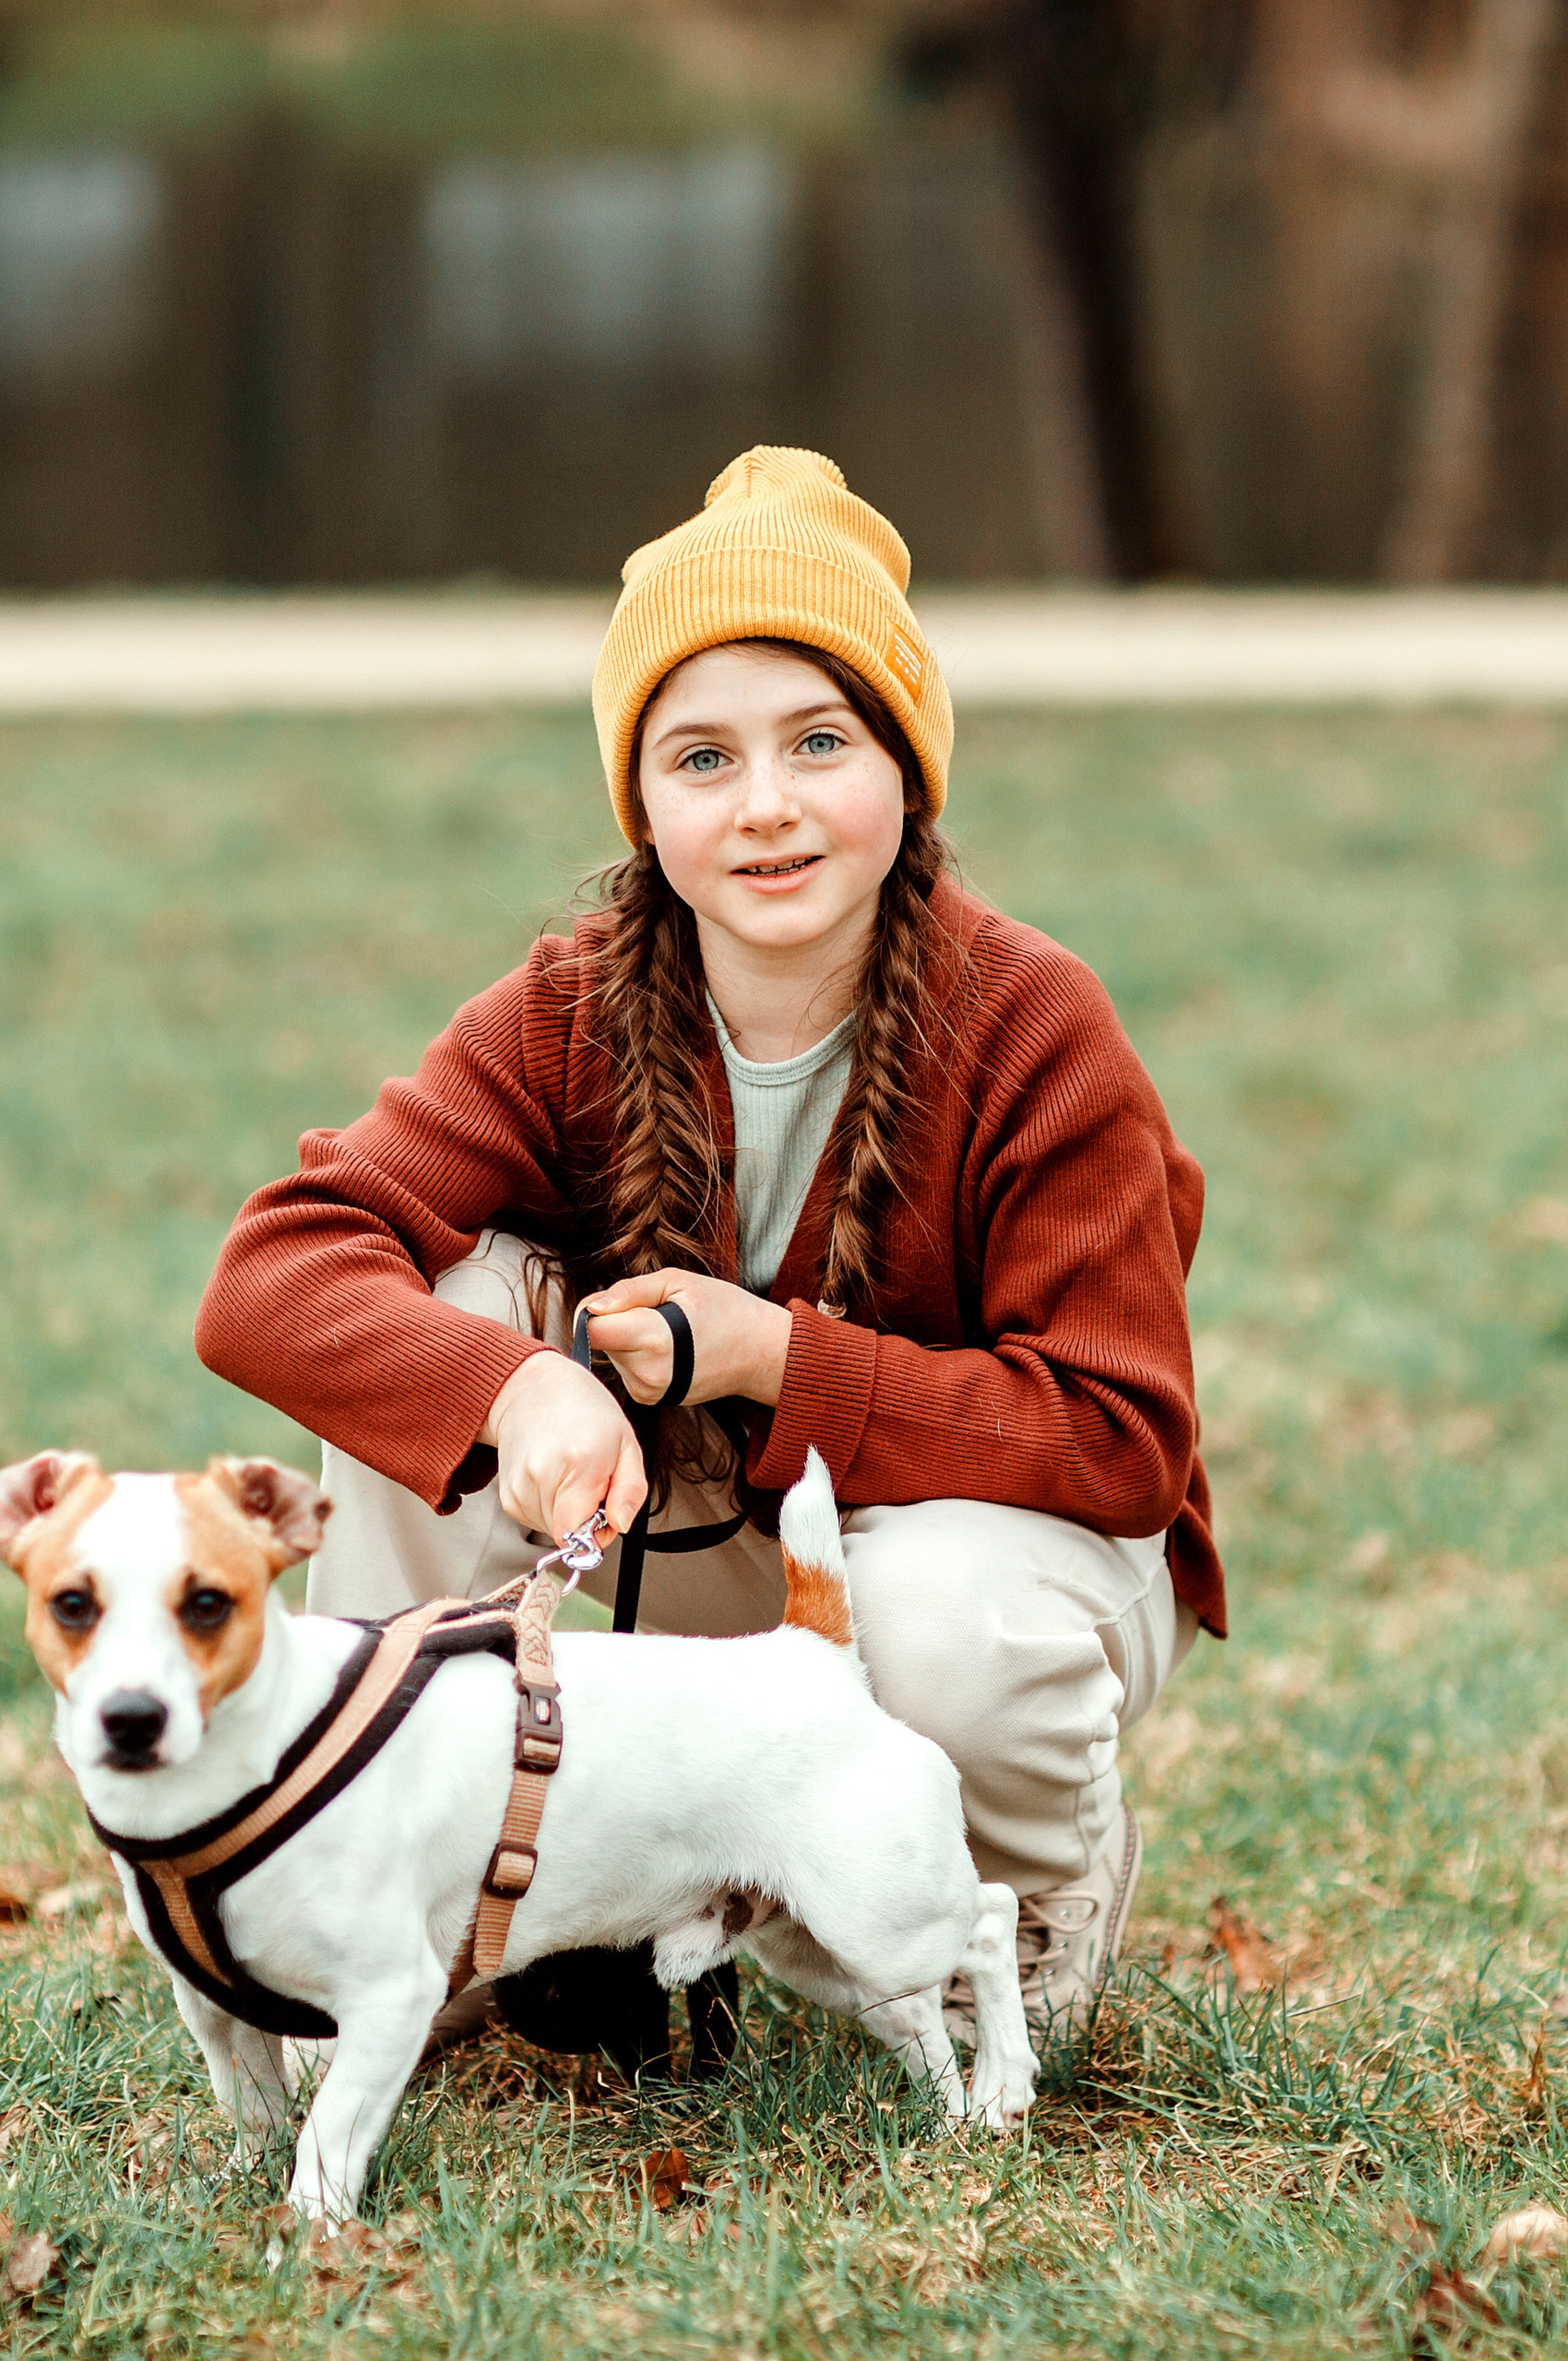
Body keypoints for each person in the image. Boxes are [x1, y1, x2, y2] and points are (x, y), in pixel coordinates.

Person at [195, 446, 1224, 2038]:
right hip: (696, 1562)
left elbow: (1121, 1442)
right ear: (645, 805)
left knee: (940, 1617)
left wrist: (777, 1360)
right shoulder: (571, 1009)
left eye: (820, 741)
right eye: (701, 758)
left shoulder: (1035, 1026)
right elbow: (276, 1271)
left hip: (1009, 1562)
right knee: (454, 1305)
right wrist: (515, 1395)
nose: (766, 807)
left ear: (905, 769)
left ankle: (1009, 1910)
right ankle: (422, 1878)